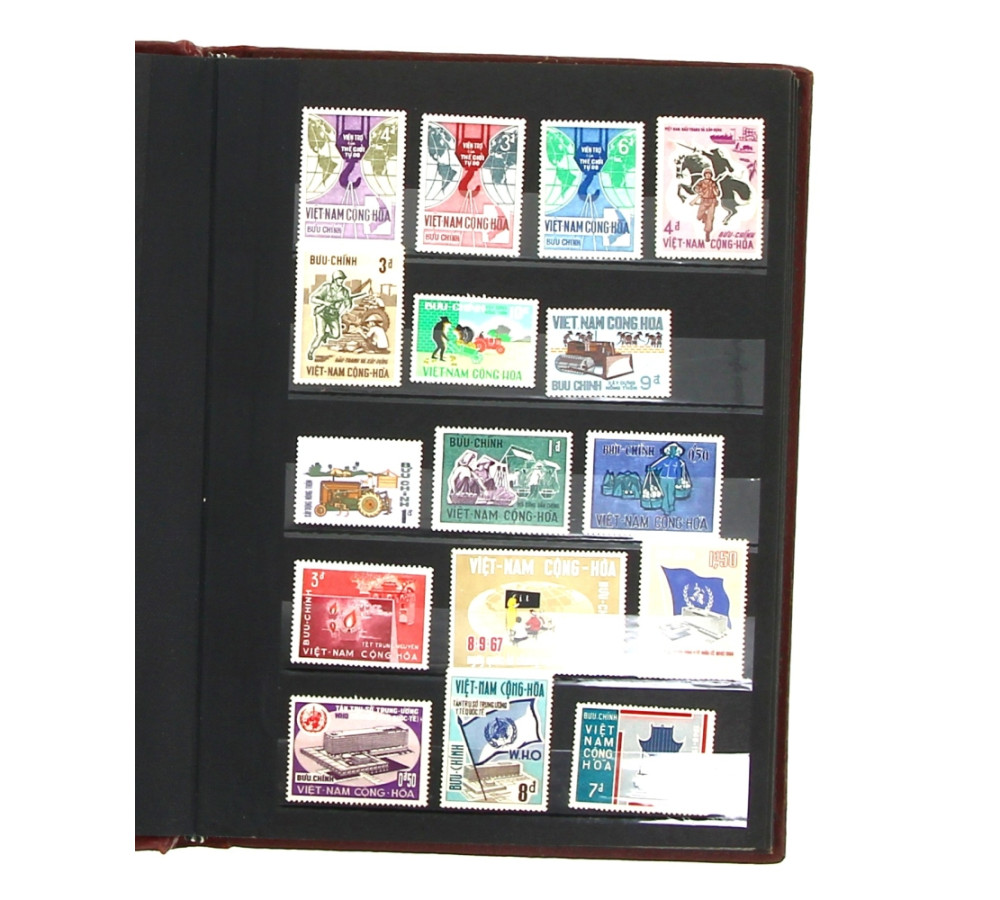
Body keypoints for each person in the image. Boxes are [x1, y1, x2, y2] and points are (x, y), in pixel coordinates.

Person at [307, 270, 353, 360]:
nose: (341, 281)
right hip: (322, 314)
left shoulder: (345, 291)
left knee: (336, 335)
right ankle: (311, 351)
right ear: (335, 279)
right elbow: (313, 298)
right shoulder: (327, 287)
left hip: (333, 315)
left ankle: (326, 335)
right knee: (320, 335)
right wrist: (325, 303)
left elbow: (348, 305)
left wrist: (344, 307)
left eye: (342, 279)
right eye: (340, 279)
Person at [646, 442, 688, 514]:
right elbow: (658, 466)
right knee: (664, 493)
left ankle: (671, 505)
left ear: (676, 451)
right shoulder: (665, 460)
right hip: (663, 478)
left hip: (672, 479)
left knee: (671, 493)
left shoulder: (677, 461)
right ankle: (665, 508)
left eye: (674, 449)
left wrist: (679, 479)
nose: (672, 451)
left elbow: (678, 471)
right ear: (669, 450)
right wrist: (652, 468)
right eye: (671, 449)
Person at [690, 169, 721, 241]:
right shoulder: (701, 182)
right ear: (704, 175)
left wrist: (714, 189)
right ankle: (704, 218)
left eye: (709, 174)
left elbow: (717, 193)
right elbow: (695, 188)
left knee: (710, 218)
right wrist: (699, 191)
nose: (708, 175)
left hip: (712, 201)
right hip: (703, 201)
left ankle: (707, 233)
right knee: (699, 216)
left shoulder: (713, 183)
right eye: (706, 174)